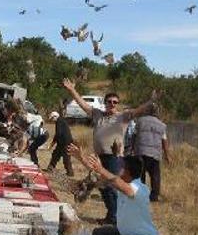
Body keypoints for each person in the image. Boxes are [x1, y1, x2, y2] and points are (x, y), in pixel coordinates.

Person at [62, 78, 159, 224]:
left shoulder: (123, 117)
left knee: (111, 186)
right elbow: (83, 105)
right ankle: (111, 215)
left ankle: (115, 218)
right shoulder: (98, 115)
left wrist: (151, 100)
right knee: (101, 186)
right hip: (99, 157)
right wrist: (72, 90)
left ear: (117, 104)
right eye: (109, 101)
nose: (112, 104)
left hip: (114, 157)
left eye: (115, 102)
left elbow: (140, 110)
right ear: (105, 103)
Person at [68, 143, 159, 235]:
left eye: (121, 167)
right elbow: (101, 177)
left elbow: (120, 184)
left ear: (128, 172)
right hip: (126, 233)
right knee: (98, 234)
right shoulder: (122, 183)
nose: (118, 169)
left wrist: (102, 168)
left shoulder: (139, 189)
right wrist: (81, 158)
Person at [134, 107, 170, 202]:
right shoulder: (162, 125)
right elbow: (164, 141)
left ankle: (140, 195)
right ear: (157, 113)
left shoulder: (139, 121)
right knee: (155, 176)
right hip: (155, 154)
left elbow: (133, 135)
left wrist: (132, 149)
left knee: (140, 174)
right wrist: (167, 155)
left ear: (146, 111)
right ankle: (154, 197)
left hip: (141, 152)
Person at [45, 111, 74, 176]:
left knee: (66, 158)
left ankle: (70, 173)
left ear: (55, 117)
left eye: (52, 118)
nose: (52, 120)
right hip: (62, 142)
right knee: (55, 155)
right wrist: (53, 143)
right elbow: (58, 134)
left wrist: (52, 143)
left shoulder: (59, 121)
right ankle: (50, 168)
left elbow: (58, 134)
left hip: (65, 142)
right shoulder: (61, 121)